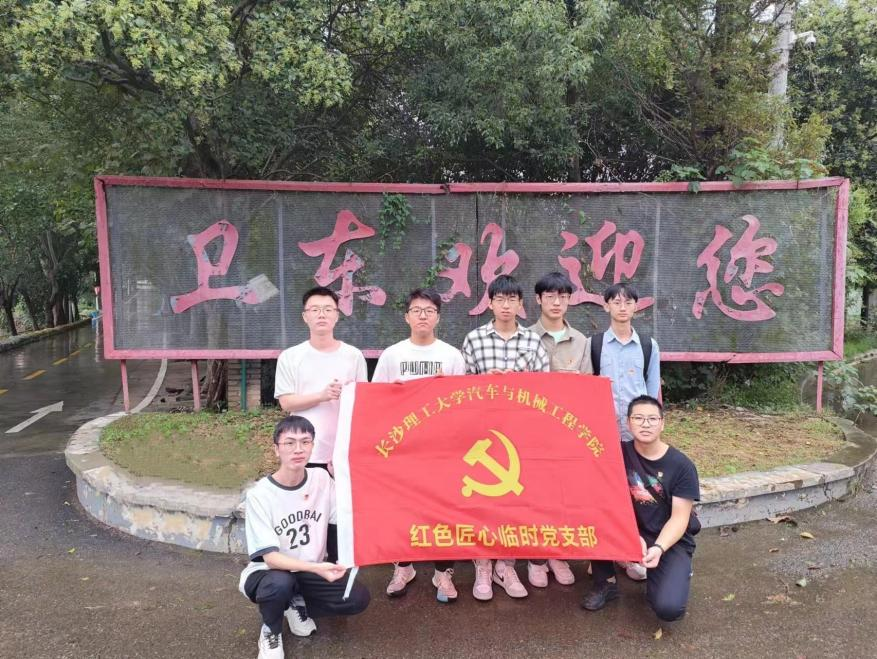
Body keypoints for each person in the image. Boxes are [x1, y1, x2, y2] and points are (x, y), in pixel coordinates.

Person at [239, 416, 370, 659]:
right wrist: (318, 568)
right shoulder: (260, 494)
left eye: (305, 442)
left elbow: (343, 518)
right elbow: (271, 558)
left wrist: (341, 478)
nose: (298, 449)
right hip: (267, 573)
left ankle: (295, 602)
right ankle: (271, 630)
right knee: (280, 584)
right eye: (289, 443)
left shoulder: (321, 479)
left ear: (312, 446)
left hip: (308, 572)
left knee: (356, 598)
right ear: (276, 449)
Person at [373, 288, 467, 603]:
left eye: (429, 310)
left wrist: (444, 390)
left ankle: (443, 572)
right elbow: (375, 400)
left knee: (444, 510)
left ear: (438, 317)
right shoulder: (392, 355)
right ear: (406, 317)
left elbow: (463, 404)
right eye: (416, 310)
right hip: (403, 448)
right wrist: (394, 393)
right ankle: (404, 567)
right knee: (402, 509)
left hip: (442, 449)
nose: (423, 316)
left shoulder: (452, 355)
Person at [461, 274, 550, 601]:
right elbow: (461, 387)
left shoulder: (533, 341)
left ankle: (507, 563)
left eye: (512, 299)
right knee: (484, 498)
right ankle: (483, 562)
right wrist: (486, 382)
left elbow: (546, 388)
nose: (506, 305)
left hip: (522, 431)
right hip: (483, 431)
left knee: (514, 500)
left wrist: (519, 383)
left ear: (520, 304)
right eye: (500, 299)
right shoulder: (474, 339)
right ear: (490, 303)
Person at [581, 396, 700, 622]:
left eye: (652, 419)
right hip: (626, 530)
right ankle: (605, 582)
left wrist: (659, 548)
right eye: (638, 418)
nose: (645, 424)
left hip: (666, 537)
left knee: (668, 608)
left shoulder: (681, 466)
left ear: (662, 424)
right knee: (592, 512)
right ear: (628, 423)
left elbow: (679, 518)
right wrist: (629, 536)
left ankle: (672, 569)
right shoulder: (615, 454)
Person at [525, 271, 592, 589]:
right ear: (538, 299)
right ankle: (536, 558)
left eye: (563, 297)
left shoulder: (581, 340)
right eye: (550, 296)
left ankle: (558, 554)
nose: (556, 302)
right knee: (534, 495)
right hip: (532, 432)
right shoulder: (525, 337)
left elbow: (588, 388)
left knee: (562, 495)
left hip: (566, 432)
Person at [591, 282, 662, 581]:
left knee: (637, 493)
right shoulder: (594, 344)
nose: (622, 307)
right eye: (616, 302)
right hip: (603, 435)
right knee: (605, 493)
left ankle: (634, 552)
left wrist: (652, 429)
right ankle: (605, 554)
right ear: (605, 306)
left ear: (636, 306)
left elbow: (653, 390)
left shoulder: (648, 345)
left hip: (637, 435)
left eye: (628, 302)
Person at [274, 286, 367, 472]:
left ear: (337, 315)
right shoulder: (290, 356)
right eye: (315, 309)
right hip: (304, 450)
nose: (321, 315)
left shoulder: (354, 356)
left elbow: (363, 403)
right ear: (305, 316)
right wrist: (321, 396)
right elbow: (286, 402)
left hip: (343, 448)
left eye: (328, 309)